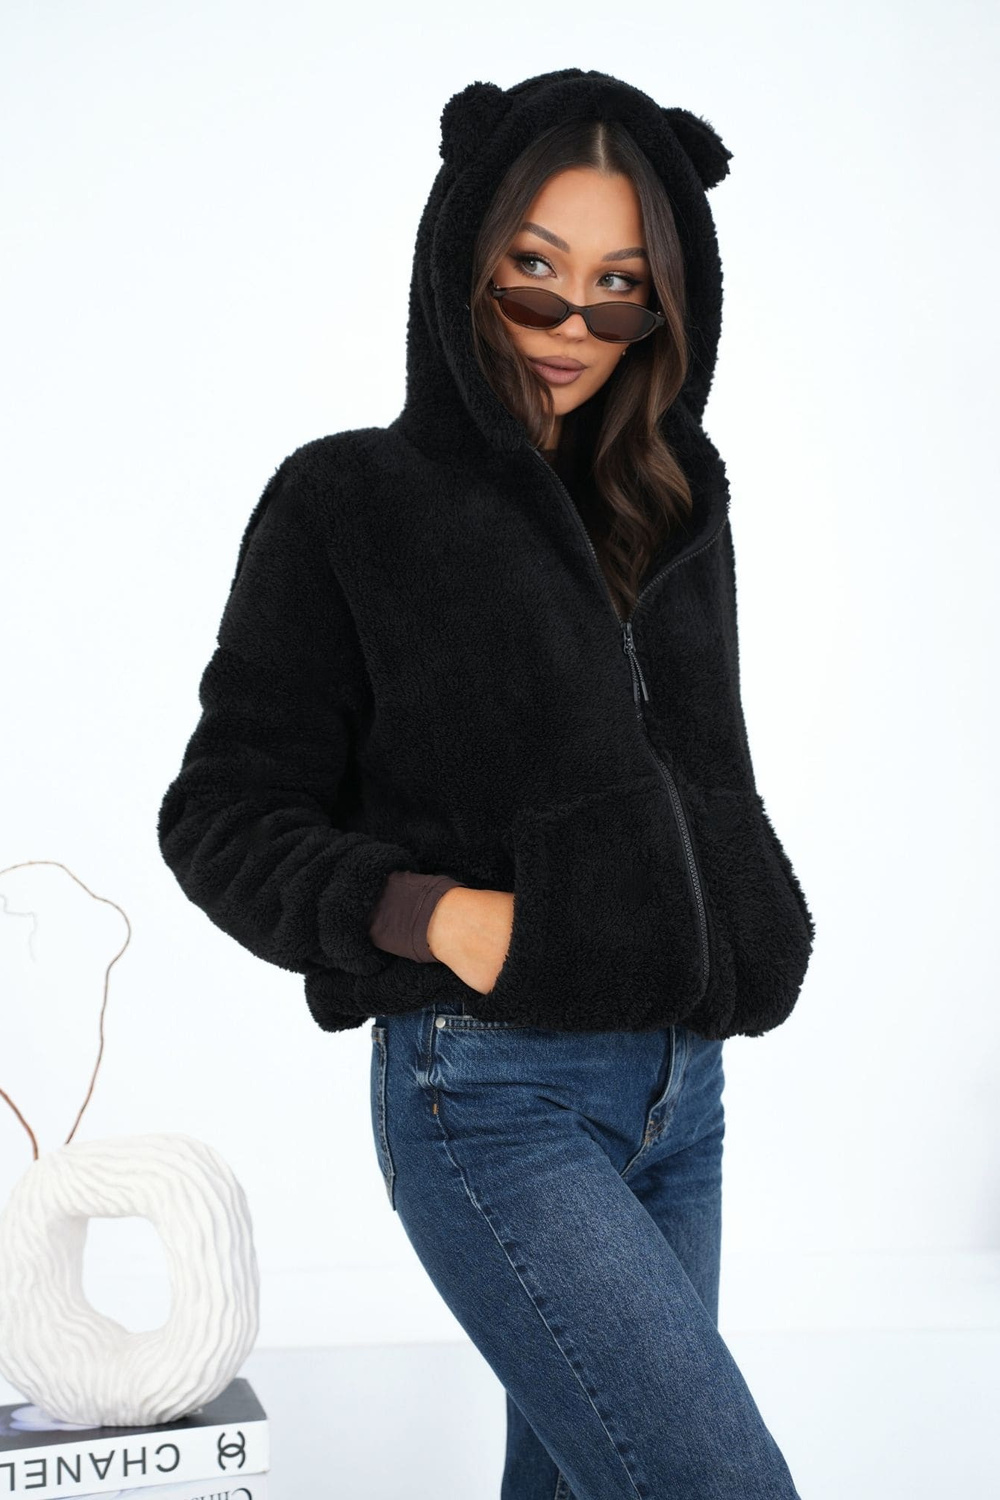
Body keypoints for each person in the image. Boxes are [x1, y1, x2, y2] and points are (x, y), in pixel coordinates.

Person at [158, 67, 814, 1500]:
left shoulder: (672, 502)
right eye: (535, 272)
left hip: (683, 1092)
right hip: (492, 1091)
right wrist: (438, 917)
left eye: (619, 288)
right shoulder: (350, 502)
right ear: (466, 255)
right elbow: (220, 816)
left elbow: (706, 774)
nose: (573, 325)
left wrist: (737, 923)